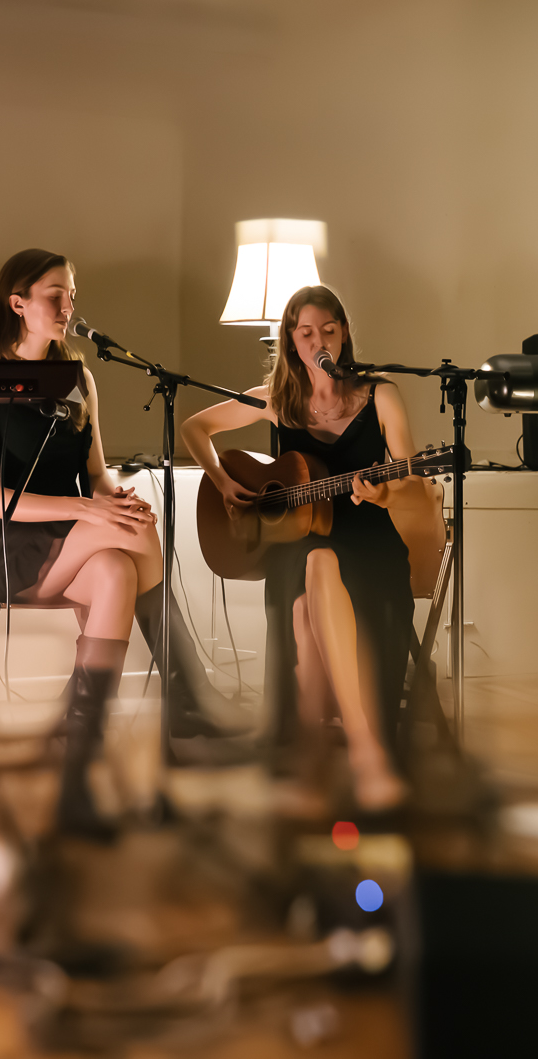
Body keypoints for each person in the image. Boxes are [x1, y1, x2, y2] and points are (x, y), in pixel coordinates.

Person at [181, 285, 424, 812]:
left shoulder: (379, 395)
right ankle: (364, 755)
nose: (319, 342)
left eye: (328, 330)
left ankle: (319, 757)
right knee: (314, 561)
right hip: (299, 541)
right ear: (291, 341)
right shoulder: (277, 400)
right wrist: (223, 481)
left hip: (369, 544)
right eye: (306, 332)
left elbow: (412, 481)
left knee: (309, 594)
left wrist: (383, 491)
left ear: (344, 333)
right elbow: (195, 428)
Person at [0, 249, 160, 839]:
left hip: (68, 540)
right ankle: (185, 681)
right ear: (17, 304)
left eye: (72, 294)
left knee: (119, 570)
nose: (68, 305)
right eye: (55, 295)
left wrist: (116, 499)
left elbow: (95, 474)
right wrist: (90, 511)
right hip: (4, 548)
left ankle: (76, 782)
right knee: (130, 537)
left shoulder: (79, 378)